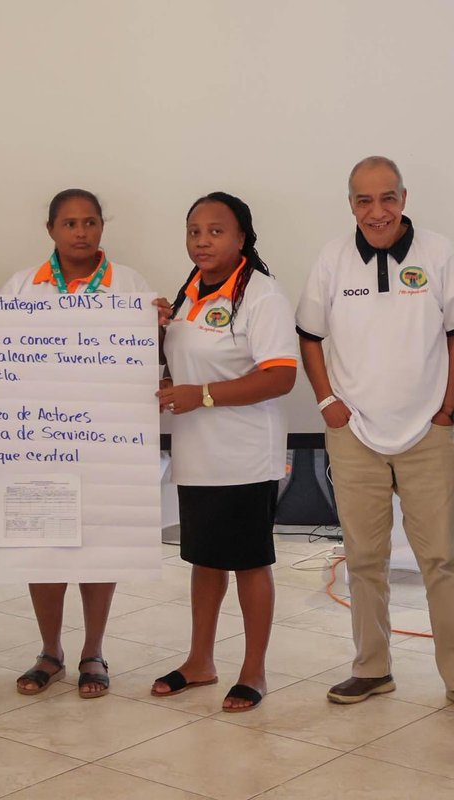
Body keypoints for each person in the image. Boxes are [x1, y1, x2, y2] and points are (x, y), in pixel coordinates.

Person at [295, 156, 454, 718]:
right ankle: (371, 669)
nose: (376, 212)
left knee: (442, 560)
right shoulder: (333, 258)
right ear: (351, 205)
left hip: (425, 431)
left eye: (387, 199)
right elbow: (310, 335)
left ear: (404, 198)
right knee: (363, 558)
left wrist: (448, 407)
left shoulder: (438, 253)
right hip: (354, 432)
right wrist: (328, 402)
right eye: (363, 201)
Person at [0, 188, 150, 698]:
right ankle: (50, 651)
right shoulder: (22, 286)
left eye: (90, 222)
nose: (81, 232)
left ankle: (93, 652)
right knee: (42, 544)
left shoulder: (130, 286)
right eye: (69, 223)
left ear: (102, 227)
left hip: (105, 443)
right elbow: (1, 356)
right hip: (40, 441)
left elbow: (151, 360)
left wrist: (157, 325)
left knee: (98, 546)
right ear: (51, 230)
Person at [149, 191, 297, 712]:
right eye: (194, 231)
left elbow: (280, 376)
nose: (202, 241)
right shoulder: (188, 291)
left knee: (249, 563)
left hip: (244, 455)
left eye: (215, 231)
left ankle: (253, 671)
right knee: (205, 560)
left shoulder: (262, 295)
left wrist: (202, 395)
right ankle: (200, 662)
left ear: (241, 238)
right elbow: (187, 369)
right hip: (196, 453)